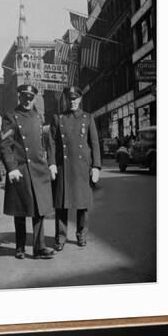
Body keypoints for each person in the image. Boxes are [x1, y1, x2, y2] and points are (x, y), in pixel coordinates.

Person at [0, 84, 55, 260]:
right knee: (21, 210)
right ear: (19, 97)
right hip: (21, 169)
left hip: (38, 169)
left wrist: (51, 163)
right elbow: (5, 144)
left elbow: (45, 142)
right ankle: (20, 247)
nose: (27, 100)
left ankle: (39, 248)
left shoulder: (38, 117)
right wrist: (12, 168)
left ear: (34, 99)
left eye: (31, 97)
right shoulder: (11, 117)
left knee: (40, 210)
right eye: (25, 96)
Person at [47, 86, 101, 250]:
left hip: (82, 167)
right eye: (70, 98)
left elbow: (94, 143)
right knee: (61, 204)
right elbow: (51, 143)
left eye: (75, 98)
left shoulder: (87, 118)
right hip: (63, 167)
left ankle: (81, 235)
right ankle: (61, 237)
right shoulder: (58, 118)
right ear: (66, 99)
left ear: (80, 99)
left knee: (82, 204)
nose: (73, 101)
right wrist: (52, 163)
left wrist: (96, 166)